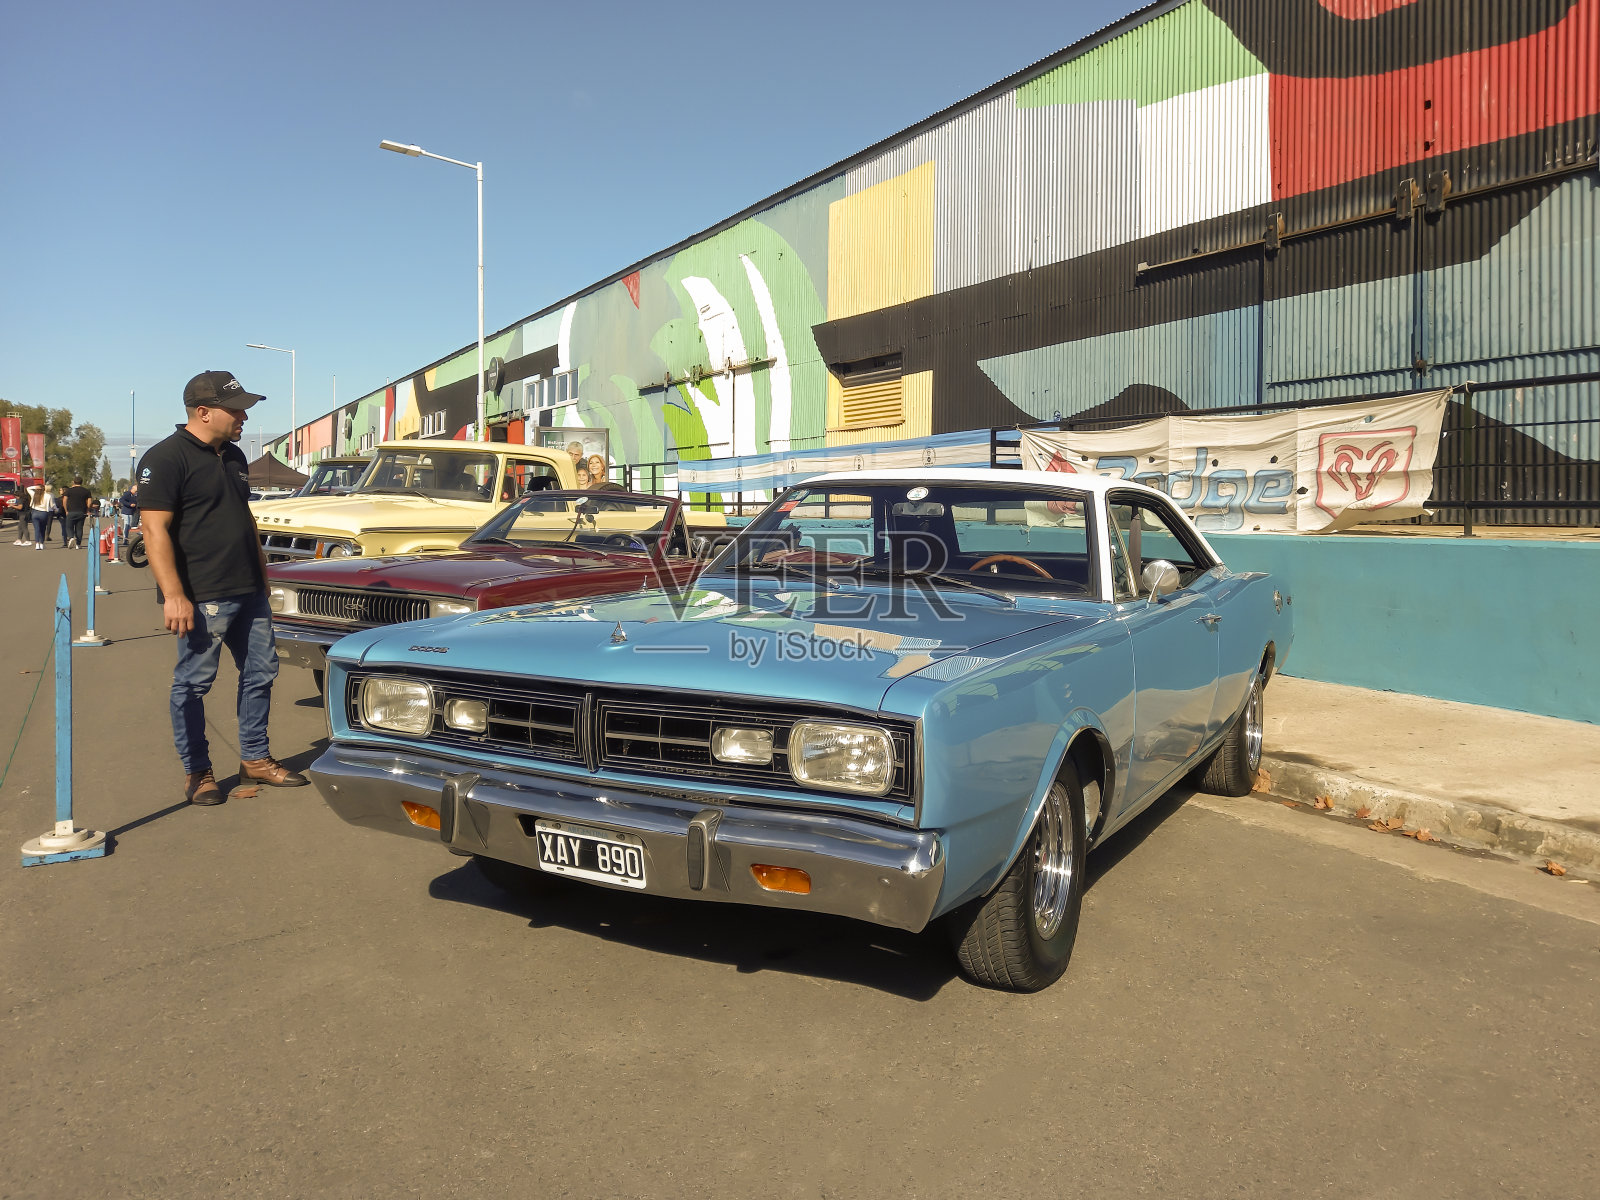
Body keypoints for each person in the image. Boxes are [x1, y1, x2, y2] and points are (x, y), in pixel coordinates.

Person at [138, 370, 309, 807]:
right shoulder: (165, 459)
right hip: (202, 593)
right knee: (194, 683)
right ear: (203, 411)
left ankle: (254, 758)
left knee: (261, 673)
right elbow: (154, 531)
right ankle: (198, 773)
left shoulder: (233, 457)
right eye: (236, 409)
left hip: (248, 587)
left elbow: (242, 516)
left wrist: (263, 568)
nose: (244, 416)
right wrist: (174, 595)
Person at [61, 474, 92, 550]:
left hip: (71, 511)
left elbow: (64, 500)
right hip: (81, 512)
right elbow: (90, 502)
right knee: (79, 528)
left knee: (69, 526)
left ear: (73, 482)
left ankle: (71, 537)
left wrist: (66, 510)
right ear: (81, 482)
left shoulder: (69, 491)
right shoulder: (86, 491)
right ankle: (78, 544)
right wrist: (87, 509)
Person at [28, 482, 55, 549]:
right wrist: (56, 509)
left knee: (37, 529)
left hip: (34, 512)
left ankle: (37, 544)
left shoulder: (34, 494)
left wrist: (35, 487)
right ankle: (42, 544)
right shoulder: (48, 496)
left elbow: (28, 488)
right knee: (43, 529)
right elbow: (52, 505)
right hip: (44, 513)